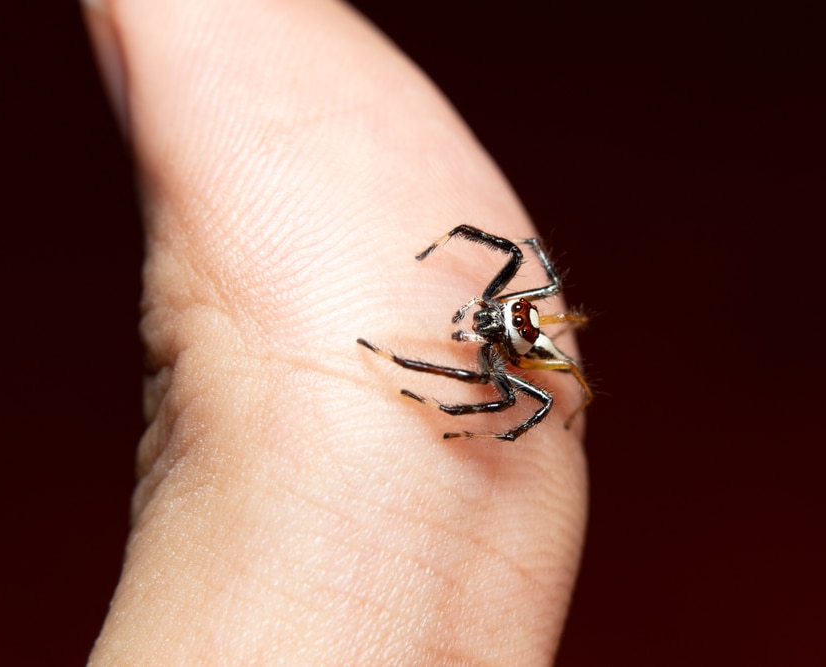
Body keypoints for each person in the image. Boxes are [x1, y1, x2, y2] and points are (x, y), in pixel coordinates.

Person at [81, 0, 588, 664]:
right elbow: (517, 255)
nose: (488, 318)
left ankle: (417, 394)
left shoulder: (508, 354)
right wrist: (451, 242)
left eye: (502, 319)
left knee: (501, 393)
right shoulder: (512, 295)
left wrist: (447, 415)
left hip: (528, 345)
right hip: (525, 317)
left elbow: (505, 397)